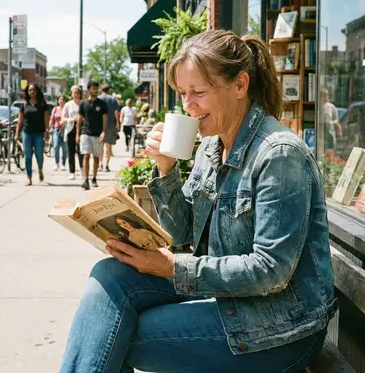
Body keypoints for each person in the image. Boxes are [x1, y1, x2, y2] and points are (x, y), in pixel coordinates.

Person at [60, 30, 336, 372]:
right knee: (111, 275)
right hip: (227, 297)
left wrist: (171, 267)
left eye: (199, 93)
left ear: (240, 85)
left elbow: (271, 271)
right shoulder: (211, 147)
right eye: (182, 93)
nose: (188, 105)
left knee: (118, 334)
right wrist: (166, 168)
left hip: (280, 328)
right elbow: (180, 232)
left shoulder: (278, 154)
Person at [15, 83, 49, 186]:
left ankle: (40, 169)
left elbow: (46, 119)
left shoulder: (42, 104)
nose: (32, 92)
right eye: (30, 90)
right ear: (27, 92)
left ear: (37, 91)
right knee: (28, 155)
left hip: (39, 133)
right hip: (27, 132)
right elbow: (20, 121)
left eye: (33, 90)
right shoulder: (24, 104)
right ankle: (29, 177)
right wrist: (17, 133)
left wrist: (47, 131)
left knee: (39, 155)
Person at [77, 81, 108, 190]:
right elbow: (79, 120)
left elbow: (105, 119)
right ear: (89, 90)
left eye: (96, 88)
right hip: (85, 133)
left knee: (95, 158)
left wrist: (104, 132)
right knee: (86, 155)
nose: (95, 90)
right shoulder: (83, 104)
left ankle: (94, 178)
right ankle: (85, 179)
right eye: (93, 88)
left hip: (97, 134)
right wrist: (77, 134)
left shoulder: (102, 104)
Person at [62, 85, 83, 180]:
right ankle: (72, 171)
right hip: (71, 127)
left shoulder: (83, 103)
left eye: (77, 93)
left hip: (82, 128)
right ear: (71, 94)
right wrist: (70, 119)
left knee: (81, 150)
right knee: (71, 151)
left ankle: (83, 169)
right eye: (74, 93)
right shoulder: (68, 104)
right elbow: (63, 118)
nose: (76, 95)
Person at [98, 84, 120, 172]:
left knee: (100, 146)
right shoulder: (112, 99)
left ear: (101, 90)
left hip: (100, 124)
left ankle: (100, 165)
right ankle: (107, 165)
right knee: (109, 146)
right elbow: (116, 112)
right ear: (108, 90)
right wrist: (118, 122)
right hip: (110, 124)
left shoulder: (98, 98)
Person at [49, 95, 67, 171]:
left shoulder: (67, 109)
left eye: (63, 99)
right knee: (56, 147)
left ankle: (63, 164)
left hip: (65, 130)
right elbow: (51, 120)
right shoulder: (55, 109)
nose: (61, 101)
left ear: (65, 101)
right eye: (60, 99)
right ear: (58, 101)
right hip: (56, 130)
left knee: (65, 148)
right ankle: (57, 163)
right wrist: (49, 128)